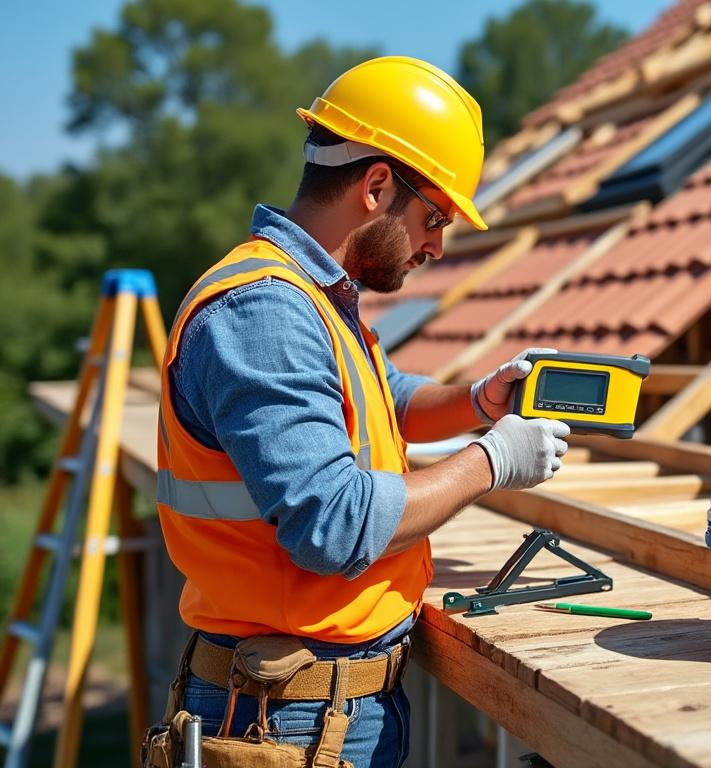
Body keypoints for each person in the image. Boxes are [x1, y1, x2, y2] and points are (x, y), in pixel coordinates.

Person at [148, 56, 568, 767]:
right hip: (282, 716)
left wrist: (475, 401)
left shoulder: (315, 299)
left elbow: (386, 397)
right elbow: (334, 523)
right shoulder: (266, 312)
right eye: (434, 217)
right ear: (376, 186)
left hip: (314, 707)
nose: (437, 245)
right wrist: (492, 461)